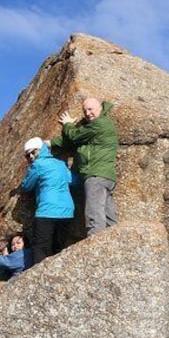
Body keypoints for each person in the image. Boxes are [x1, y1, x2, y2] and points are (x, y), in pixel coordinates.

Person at [50, 97, 119, 236]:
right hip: (106, 176)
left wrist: (67, 124)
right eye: (85, 110)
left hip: (95, 175)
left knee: (94, 216)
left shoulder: (99, 123)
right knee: (110, 217)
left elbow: (75, 136)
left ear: (100, 108)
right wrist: (50, 143)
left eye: (90, 109)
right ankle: (117, 246)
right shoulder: (96, 128)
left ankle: (96, 249)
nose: (87, 113)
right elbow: (74, 142)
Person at [19, 137, 75, 263]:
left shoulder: (38, 165)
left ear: (41, 150)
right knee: (58, 249)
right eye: (28, 155)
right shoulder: (61, 164)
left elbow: (26, 186)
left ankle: (39, 279)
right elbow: (72, 181)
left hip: (47, 211)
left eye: (33, 152)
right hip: (67, 211)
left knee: (41, 249)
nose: (31, 157)